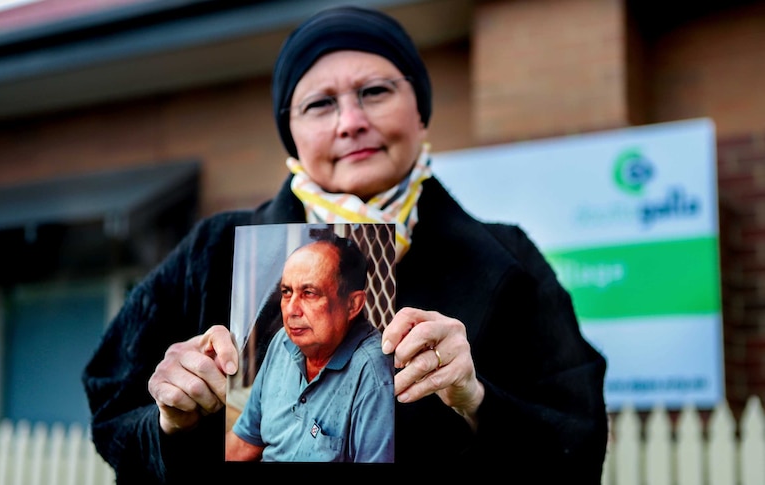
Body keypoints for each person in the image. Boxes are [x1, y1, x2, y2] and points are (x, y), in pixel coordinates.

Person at [82, 4, 608, 482]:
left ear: (420, 111)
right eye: (319, 105)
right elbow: (112, 406)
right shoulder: (215, 249)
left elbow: (579, 445)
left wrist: (476, 401)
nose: (352, 122)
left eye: (375, 92)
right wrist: (171, 420)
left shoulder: (507, 259)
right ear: (291, 133)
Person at [226, 234, 394, 462]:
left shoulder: (373, 371)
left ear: (352, 304)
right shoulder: (283, 341)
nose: (291, 310)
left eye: (309, 293)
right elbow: (245, 442)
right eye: (287, 292)